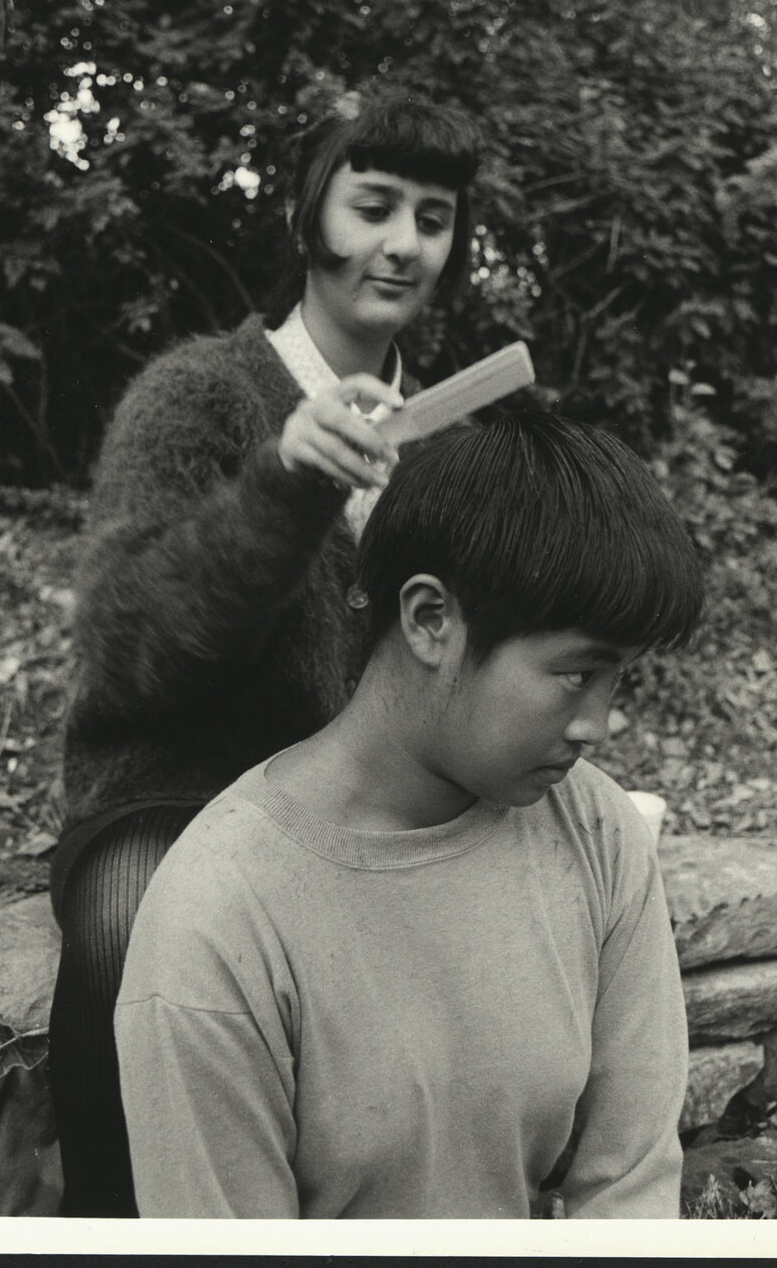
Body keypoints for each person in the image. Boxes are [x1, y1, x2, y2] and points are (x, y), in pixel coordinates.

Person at [47, 91, 481, 1216]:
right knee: (135, 911)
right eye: (373, 204)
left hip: (357, 817)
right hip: (169, 798)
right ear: (306, 220)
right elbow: (129, 649)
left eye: (430, 218)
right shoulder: (197, 395)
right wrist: (287, 485)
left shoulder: (448, 440)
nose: (401, 243)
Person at [114, 412, 704, 1220]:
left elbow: (632, 1191)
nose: (597, 725)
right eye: (575, 675)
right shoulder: (218, 921)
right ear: (431, 619)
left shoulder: (596, 830)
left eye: (619, 681)